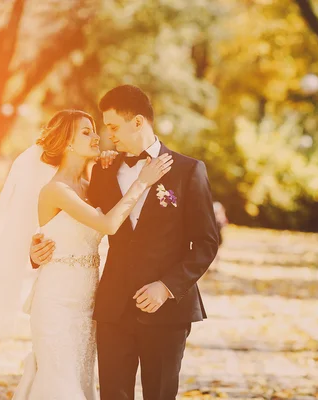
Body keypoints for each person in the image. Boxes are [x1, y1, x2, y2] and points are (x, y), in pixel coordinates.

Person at [31, 85, 220, 399]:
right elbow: (66, 220)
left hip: (166, 311)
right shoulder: (103, 171)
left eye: (114, 127)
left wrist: (167, 286)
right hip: (112, 309)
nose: (109, 135)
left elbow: (206, 243)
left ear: (138, 123)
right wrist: (37, 251)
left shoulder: (189, 171)